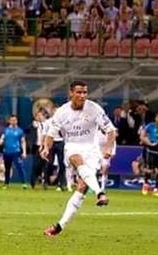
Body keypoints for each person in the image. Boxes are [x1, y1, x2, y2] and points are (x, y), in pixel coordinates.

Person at [42, 81, 116, 237]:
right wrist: (46, 147)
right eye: (79, 92)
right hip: (72, 147)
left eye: (85, 93)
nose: (82, 96)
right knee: (76, 159)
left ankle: (59, 226)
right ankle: (100, 193)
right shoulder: (62, 112)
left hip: (92, 149)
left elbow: (110, 130)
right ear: (71, 93)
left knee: (82, 187)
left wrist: (108, 148)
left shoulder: (94, 109)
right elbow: (50, 134)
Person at [0, 115, 28, 190]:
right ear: (9, 121)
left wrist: (24, 152)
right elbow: (2, 138)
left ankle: (24, 183)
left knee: (20, 167)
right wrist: (1, 141)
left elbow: (23, 141)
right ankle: (6, 184)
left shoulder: (20, 131)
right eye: (12, 120)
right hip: (7, 152)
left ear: (17, 121)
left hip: (16, 152)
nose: (13, 121)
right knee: (7, 168)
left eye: (15, 120)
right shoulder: (6, 130)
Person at [139, 115, 158, 196]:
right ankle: (146, 186)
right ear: (156, 118)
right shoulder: (150, 126)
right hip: (150, 149)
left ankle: (156, 188)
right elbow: (142, 136)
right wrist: (150, 143)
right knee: (148, 168)